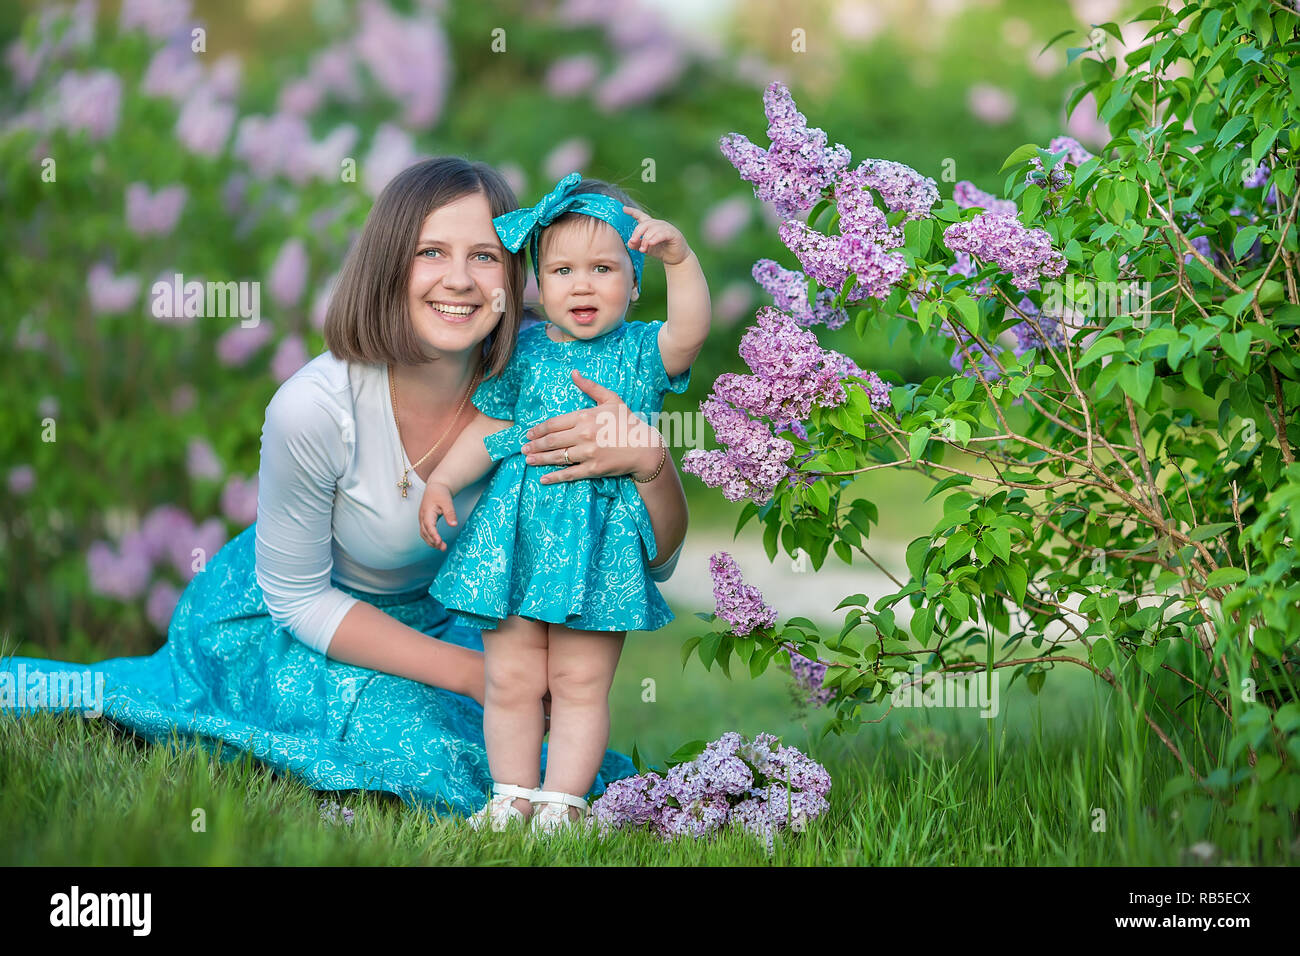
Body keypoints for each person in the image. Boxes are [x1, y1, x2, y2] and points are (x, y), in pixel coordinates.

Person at [0, 157, 690, 823]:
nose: (459, 280)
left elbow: (653, 561)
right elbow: (298, 597)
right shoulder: (315, 406)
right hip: (296, 625)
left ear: (517, 277)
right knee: (440, 760)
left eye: (484, 256)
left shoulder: (547, 376)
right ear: (389, 266)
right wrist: (464, 673)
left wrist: (648, 462)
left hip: (451, 618)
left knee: (558, 761)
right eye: (430, 253)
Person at [418, 173, 710, 832]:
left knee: (579, 681)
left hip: (599, 540)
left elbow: (691, 331)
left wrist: (681, 260)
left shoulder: (640, 350)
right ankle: (512, 793)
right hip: (515, 537)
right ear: (539, 286)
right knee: (513, 679)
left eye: (604, 269)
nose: (582, 284)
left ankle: (563, 801)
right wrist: (441, 481)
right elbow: (493, 431)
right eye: (561, 270)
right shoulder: (522, 351)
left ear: (634, 285)